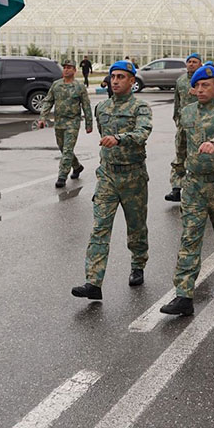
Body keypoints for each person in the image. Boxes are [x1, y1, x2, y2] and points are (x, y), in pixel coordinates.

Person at [160, 65, 214, 317]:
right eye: (196, 86)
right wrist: (178, 175)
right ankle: (184, 294)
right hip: (195, 184)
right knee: (190, 236)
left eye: (205, 85)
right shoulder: (187, 113)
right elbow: (182, 146)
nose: (199, 90)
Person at [71, 60, 153, 300]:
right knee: (99, 228)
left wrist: (119, 138)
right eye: (113, 76)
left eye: (121, 77)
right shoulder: (102, 108)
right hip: (107, 175)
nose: (115, 81)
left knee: (136, 226)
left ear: (131, 81)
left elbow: (142, 133)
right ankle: (93, 282)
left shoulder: (141, 107)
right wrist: (111, 144)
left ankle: (138, 264)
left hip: (133, 176)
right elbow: (101, 134)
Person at [38, 60, 93, 188]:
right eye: (65, 68)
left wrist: (88, 124)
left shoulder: (79, 87)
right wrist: (42, 118)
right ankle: (77, 166)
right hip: (59, 122)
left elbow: (86, 106)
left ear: (74, 70)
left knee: (68, 149)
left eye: (69, 67)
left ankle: (62, 176)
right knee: (63, 148)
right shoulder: (56, 85)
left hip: (73, 123)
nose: (66, 70)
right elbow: (48, 102)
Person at [165, 53, 202, 202]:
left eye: (194, 62)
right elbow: (177, 101)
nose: (191, 64)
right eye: (189, 62)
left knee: (198, 157)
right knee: (180, 156)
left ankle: (197, 190)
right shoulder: (180, 81)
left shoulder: (203, 81)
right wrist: (177, 119)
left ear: (200, 64)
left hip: (200, 126)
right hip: (183, 125)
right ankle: (176, 188)